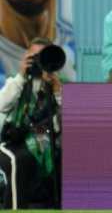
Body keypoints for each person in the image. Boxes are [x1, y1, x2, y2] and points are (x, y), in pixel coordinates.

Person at [0, 38, 64, 209]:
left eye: (42, 57)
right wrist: (21, 75)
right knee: (19, 159)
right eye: (34, 57)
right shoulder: (17, 82)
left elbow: (66, 123)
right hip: (15, 140)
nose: (37, 62)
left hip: (45, 143)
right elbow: (2, 104)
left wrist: (57, 91)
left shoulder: (57, 85)